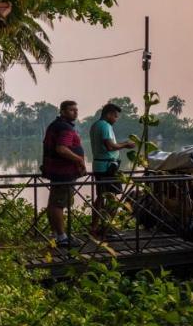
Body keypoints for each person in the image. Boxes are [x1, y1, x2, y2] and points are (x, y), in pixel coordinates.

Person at [41, 100, 86, 247]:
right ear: (62, 111)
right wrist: (79, 159)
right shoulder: (65, 128)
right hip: (63, 172)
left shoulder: (56, 125)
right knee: (58, 204)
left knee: (53, 203)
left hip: (56, 171)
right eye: (72, 110)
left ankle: (55, 234)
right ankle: (62, 238)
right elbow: (62, 149)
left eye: (76, 109)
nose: (75, 112)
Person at [88, 103, 134, 239]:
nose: (116, 119)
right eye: (115, 116)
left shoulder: (96, 125)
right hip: (107, 168)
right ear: (108, 114)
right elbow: (110, 146)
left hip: (100, 166)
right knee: (113, 199)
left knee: (101, 198)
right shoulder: (105, 126)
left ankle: (95, 228)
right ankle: (106, 229)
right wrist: (126, 144)